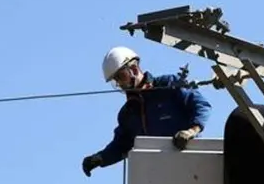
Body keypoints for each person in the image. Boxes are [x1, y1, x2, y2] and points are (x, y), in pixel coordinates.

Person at [81, 46, 212, 177]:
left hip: (189, 165)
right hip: (157, 175)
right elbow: (121, 145)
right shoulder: (128, 113)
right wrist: (100, 158)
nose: (120, 83)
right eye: (116, 81)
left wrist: (192, 131)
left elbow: (201, 105)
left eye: (121, 77)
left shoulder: (168, 85)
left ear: (134, 69)